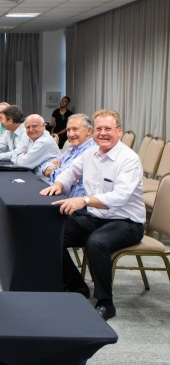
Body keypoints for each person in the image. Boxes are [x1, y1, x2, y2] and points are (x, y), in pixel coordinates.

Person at [40, 109, 145, 321]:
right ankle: (77, 287)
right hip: (96, 218)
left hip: (127, 222)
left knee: (96, 242)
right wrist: (60, 183)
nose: (103, 133)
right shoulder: (90, 153)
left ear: (119, 131)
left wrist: (84, 200)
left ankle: (106, 303)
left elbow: (120, 197)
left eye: (108, 129)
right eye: (99, 129)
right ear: (93, 132)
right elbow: (71, 172)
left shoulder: (129, 159)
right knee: (51, 234)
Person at [42, 113, 96, 195]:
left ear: (88, 131)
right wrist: (60, 169)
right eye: (68, 130)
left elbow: (69, 175)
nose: (70, 134)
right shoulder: (72, 148)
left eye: (75, 129)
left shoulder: (92, 151)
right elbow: (44, 168)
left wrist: (55, 169)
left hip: (76, 202)